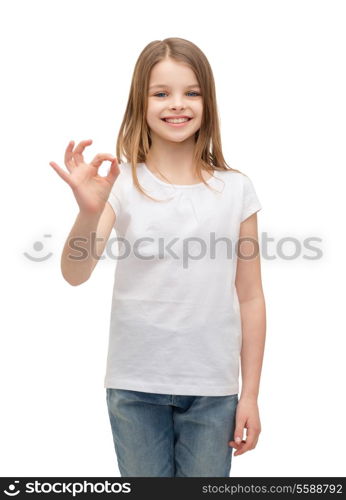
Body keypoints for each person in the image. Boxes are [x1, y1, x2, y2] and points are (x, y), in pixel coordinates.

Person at [49, 37, 266, 478]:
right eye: (161, 93)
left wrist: (250, 395)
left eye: (191, 92)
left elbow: (250, 298)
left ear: (208, 101)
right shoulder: (121, 183)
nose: (177, 105)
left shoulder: (237, 189)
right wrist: (88, 213)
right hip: (135, 386)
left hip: (213, 390)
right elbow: (75, 273)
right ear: (140, 102)